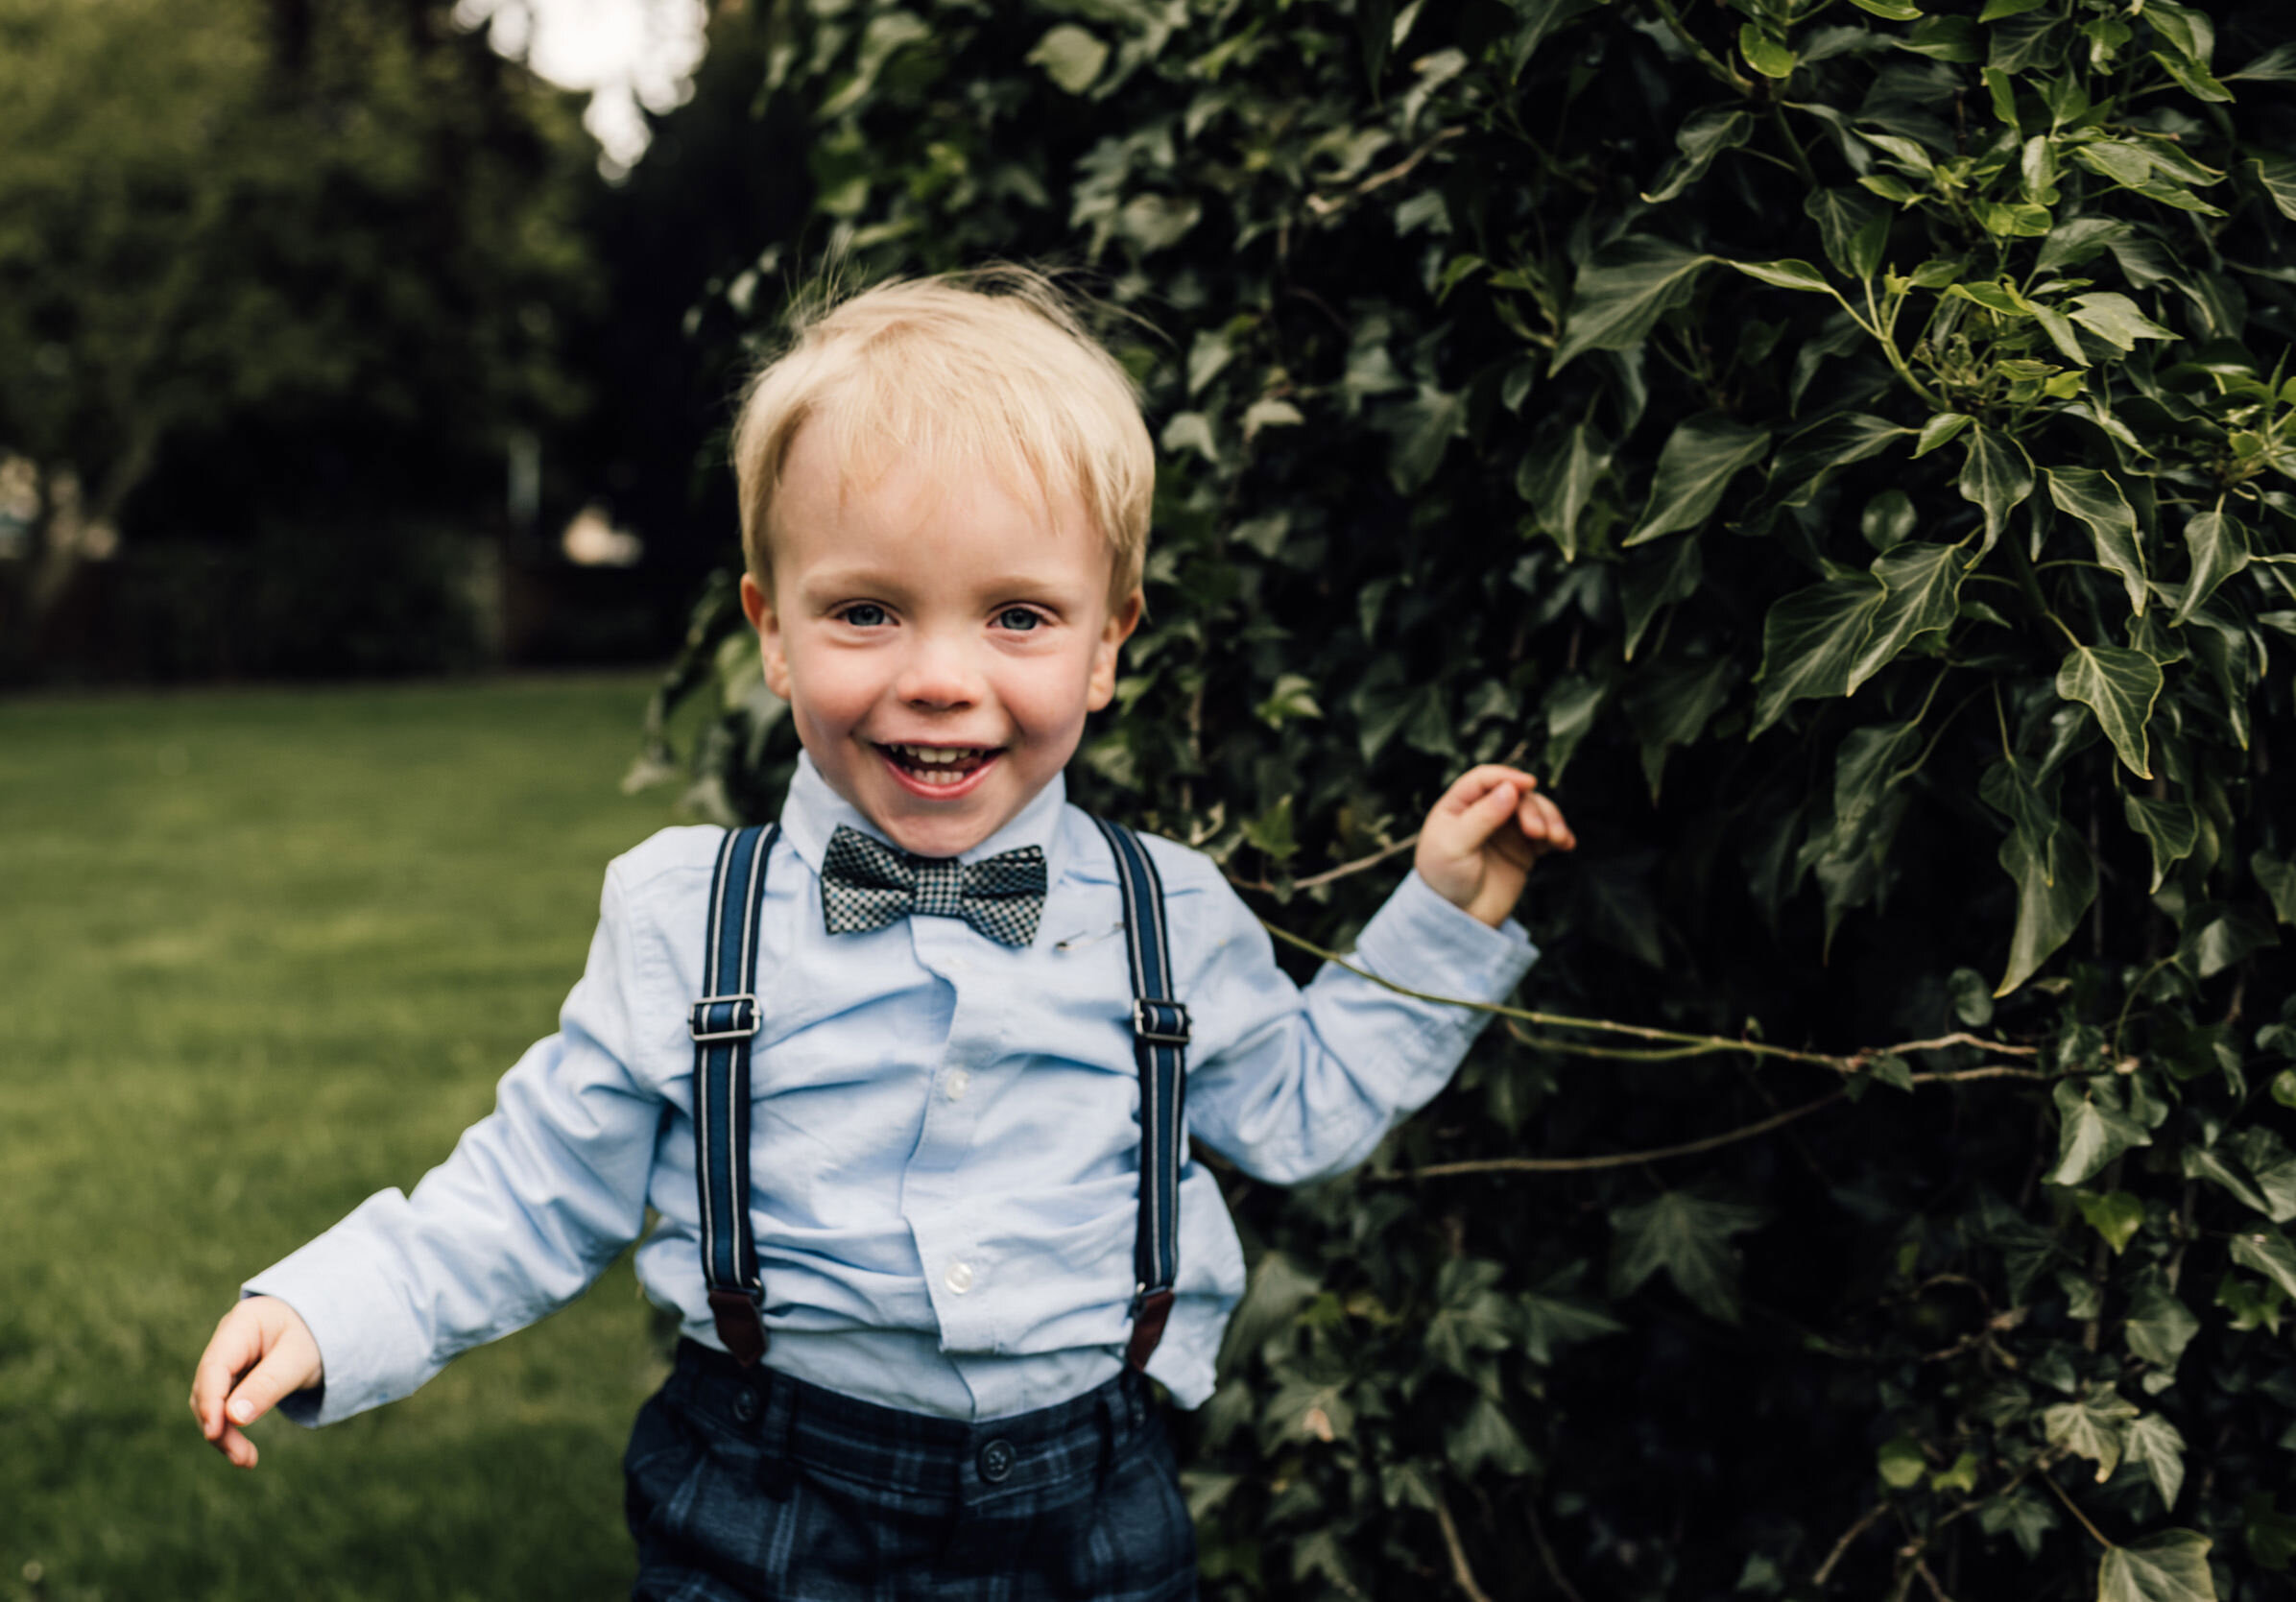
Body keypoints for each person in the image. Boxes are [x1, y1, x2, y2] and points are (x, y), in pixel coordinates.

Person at [188, 269, 1574, 1601]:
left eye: (1019, 617)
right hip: (766, 1497)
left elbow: (1301, 1108)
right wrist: (332, 1309)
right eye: (866, 611)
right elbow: (534, 1183)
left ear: (1107, 644)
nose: (938, 678)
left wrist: (1444, 916)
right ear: (772, 633)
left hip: (1090, 1511)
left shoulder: (1168, 913)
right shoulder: (690, 920)